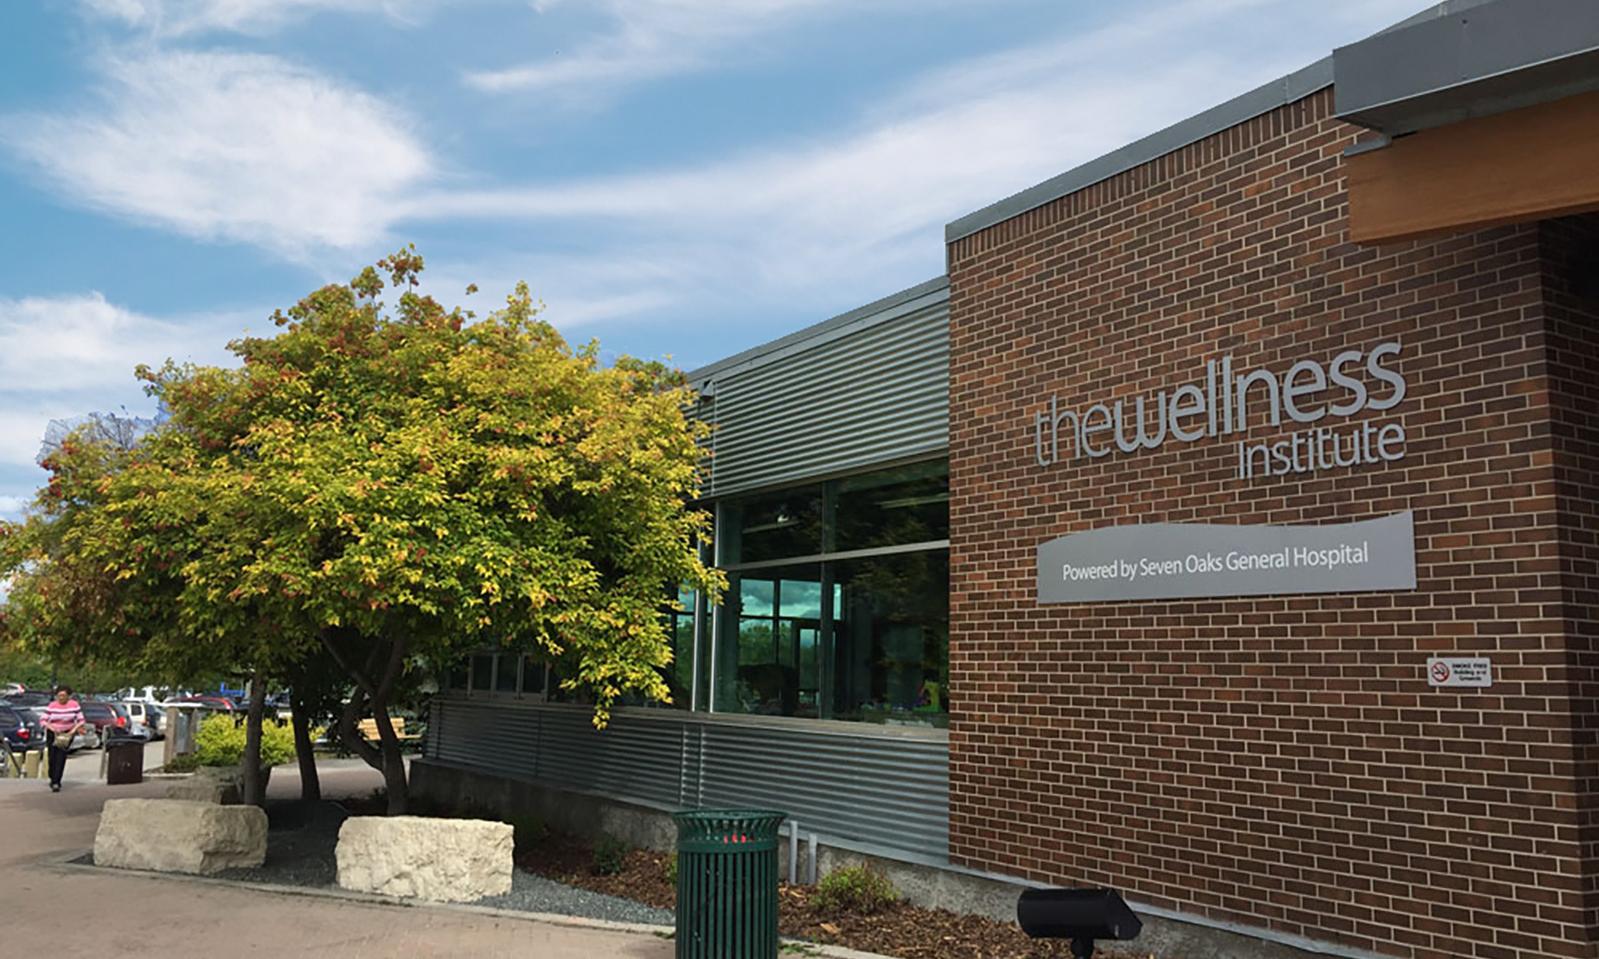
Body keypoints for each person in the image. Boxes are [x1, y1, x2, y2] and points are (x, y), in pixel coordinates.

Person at [40, 686, 85, 792]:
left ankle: (56, 782)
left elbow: (81, 720)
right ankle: (52, 775)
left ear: (68, 696)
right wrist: (52, 728)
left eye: (63, 695)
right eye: (59, 695)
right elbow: (43, 720)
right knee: (52, 756)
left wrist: (72, 731)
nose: (61, 698)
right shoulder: (52, 706)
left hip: (67, 733)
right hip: (53, 733)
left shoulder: (74, 705)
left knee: (61, 756)